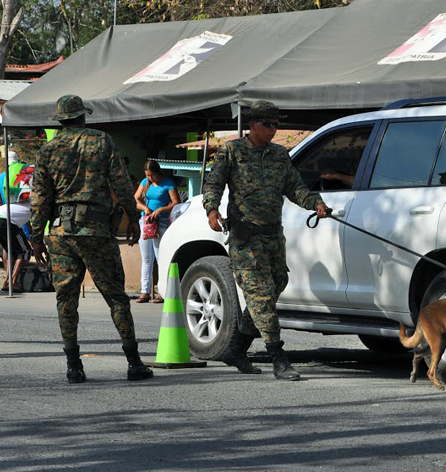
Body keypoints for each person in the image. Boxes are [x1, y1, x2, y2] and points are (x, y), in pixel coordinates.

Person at [29, 94, 153, 384]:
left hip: (60, 233)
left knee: (66, 300)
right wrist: (132, 218)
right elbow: (121, 183)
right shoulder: (101, 141)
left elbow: (40, 200)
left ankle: (74, 366)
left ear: (60, 120)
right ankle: (134, 363)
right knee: (116, 298)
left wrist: (36, 236)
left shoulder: (47, 151)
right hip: (96, 231)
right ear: (83, 116)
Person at [203, 100, 329, 381]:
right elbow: (213, 183)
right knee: (260, 296)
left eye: (276, 124)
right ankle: (279, 359)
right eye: (268, 124)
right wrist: (212, 209)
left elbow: (295, 187)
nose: (274, 129)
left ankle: (236, 349)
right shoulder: (232, 151)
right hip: (246, 237)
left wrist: (315, 203)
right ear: (253, 124)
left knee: (275, 286)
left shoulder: (279, 155)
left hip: (273, 236)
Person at [133, 159, 180, 304]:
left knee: (161, 257)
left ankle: (162, 291)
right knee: (147, 259)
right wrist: (145, 208)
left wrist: (161, 210)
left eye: (151, 175)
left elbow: (176, 202)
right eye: (147, 175)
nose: (149, 178)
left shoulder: (168, 184)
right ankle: (144, 291)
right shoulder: (145, 183)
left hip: (162, 222)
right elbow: (136, 198)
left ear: (157, 172)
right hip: (146, 222)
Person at [0, 165, 34, 293]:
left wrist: (27, 236)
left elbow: (27, 225)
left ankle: (7, 281)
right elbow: (34, 226)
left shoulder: (19, 204)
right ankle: (13, 282)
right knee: (25, 252)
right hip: (4, 222)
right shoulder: (32, 207)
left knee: (12, 251)